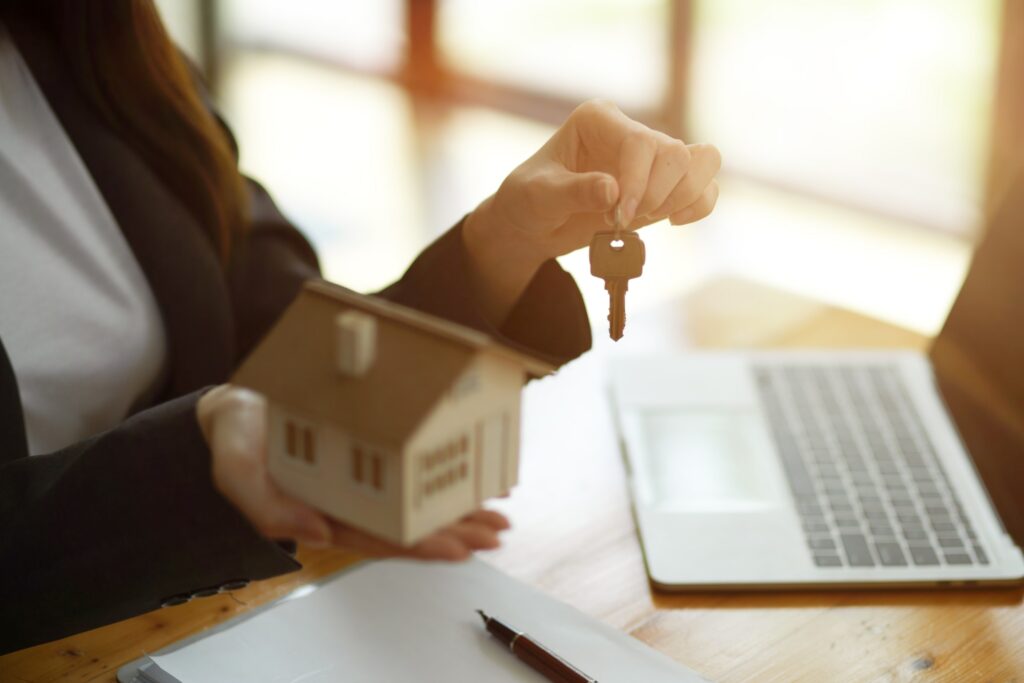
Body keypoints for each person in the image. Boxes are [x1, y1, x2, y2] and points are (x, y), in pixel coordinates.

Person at [0, 1, 721, 654]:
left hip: (208, 631)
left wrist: (499, 246)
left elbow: (285, 344)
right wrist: (200, 454)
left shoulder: (83, 44)